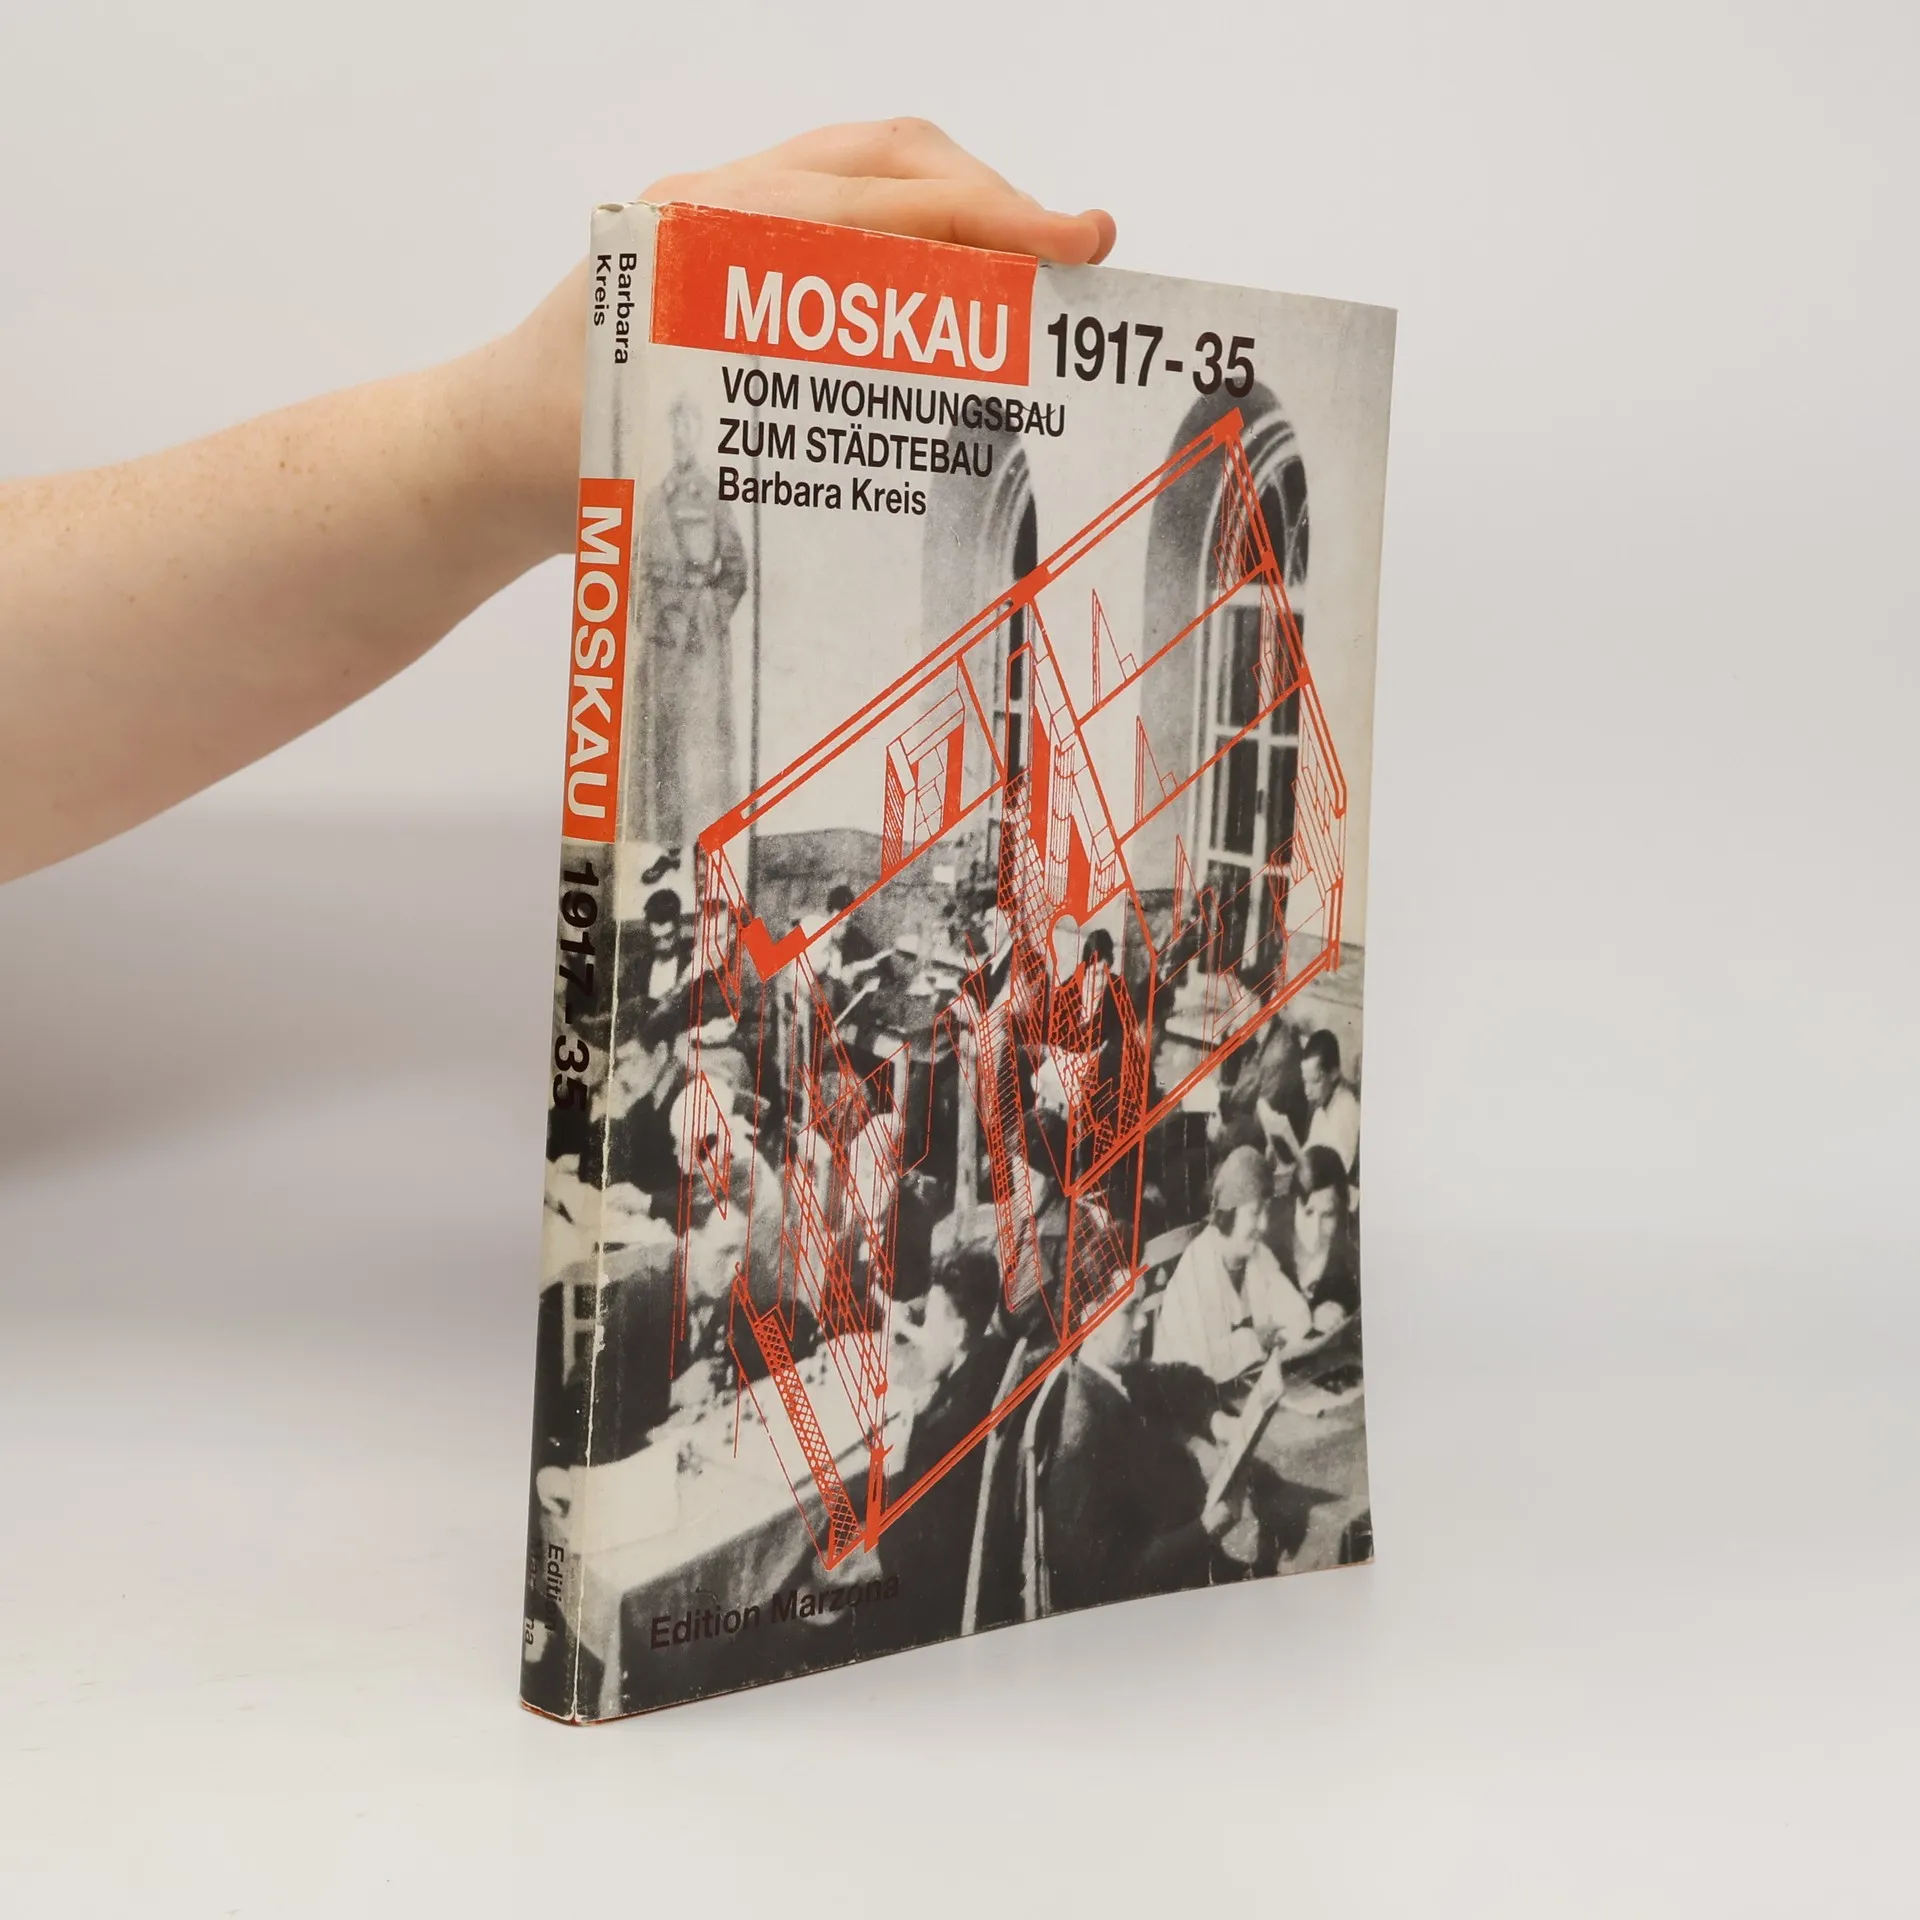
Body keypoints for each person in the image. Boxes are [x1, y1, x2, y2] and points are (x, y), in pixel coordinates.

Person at [0, 121, 1116, 886]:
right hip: (672, 643)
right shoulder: (665, 488)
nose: (688, 448)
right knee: (667, 774)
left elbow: (730, 562)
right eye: (680, 434)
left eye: (692, 436)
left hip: (699, 638)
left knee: (708, 767)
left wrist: (691, 580)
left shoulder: (704, 497)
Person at [1031, 1263, 1246, 1617]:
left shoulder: (1105, 1376)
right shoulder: (1082, 1435)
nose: (1143, 1322)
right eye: (1129, 1310)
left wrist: (1215, 1420)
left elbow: (1176, 1379)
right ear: (1089, 1318)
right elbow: (1105, 1584)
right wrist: (1207, 1529)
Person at [1152, 1144, 1312, 1396]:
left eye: (1266, 1211)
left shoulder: (1257, 1255)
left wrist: (1257, 1341)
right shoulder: (1199, 1266)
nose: (1263, 1224)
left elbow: (1298, 1315)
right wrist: (1256, 1340)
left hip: (1233, 1389)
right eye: (1255, 1213)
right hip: (1183, 1400)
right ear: (1229, 1213)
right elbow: (1202, 1364)